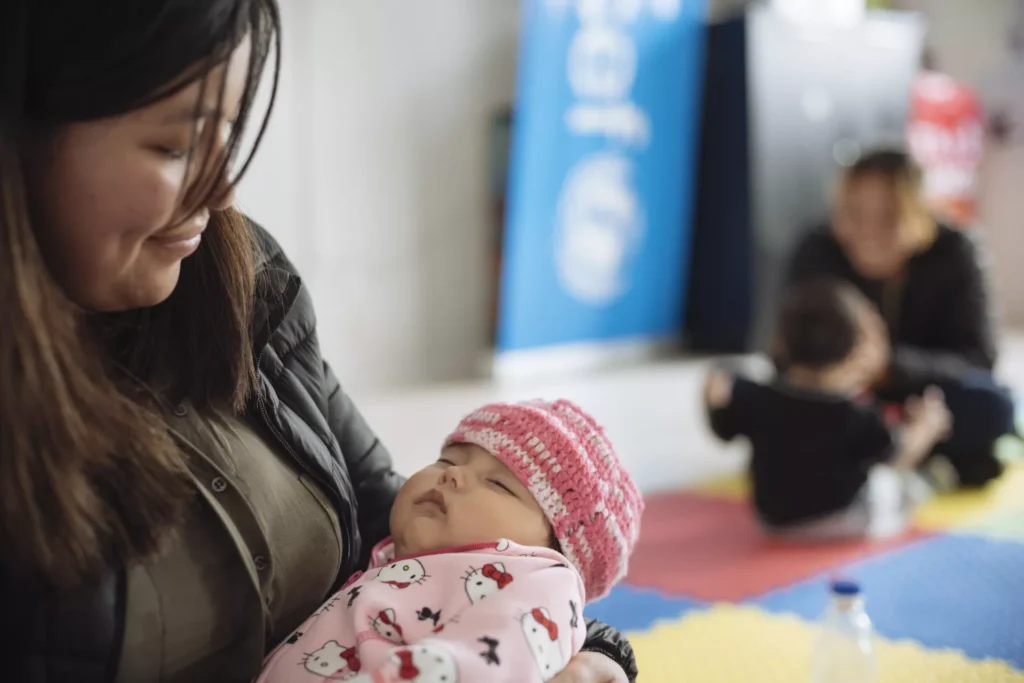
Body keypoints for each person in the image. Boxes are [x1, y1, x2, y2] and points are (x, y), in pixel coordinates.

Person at [0, 2, 638, 682]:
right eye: (176, 147)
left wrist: (594, 654)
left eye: (230, 135)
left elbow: (424, 543)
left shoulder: (244, 282)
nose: (222, 192)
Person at [256, 399, 643, 683]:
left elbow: (473, 669)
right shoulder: (391, 563)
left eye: (498, 483)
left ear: (552, 553)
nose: (452, 475)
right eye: (447, 460)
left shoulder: (538, 584)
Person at [784, 149, 1014, 488]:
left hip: (924, 400)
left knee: (993, 405)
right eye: (855, 214)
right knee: (770, 405)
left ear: (919, 214)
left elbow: (979, 358)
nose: (869, 230)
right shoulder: (817, 250)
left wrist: (890, 368)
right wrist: (839, 371)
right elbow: (786, 354)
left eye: (889, 217)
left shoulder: (956, 251)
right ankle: (926, 460)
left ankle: (899, 455)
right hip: (843, 400)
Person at [703, 279, 951, 540]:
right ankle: (923, 485)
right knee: (890, 483)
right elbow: (898, 454)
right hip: (845, 521)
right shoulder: (856, 414)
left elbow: (724, 425)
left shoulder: (755, 396)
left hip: (774, 521)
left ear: (780, 342)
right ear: (855, 351)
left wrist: (715, 396)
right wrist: (927, 427)